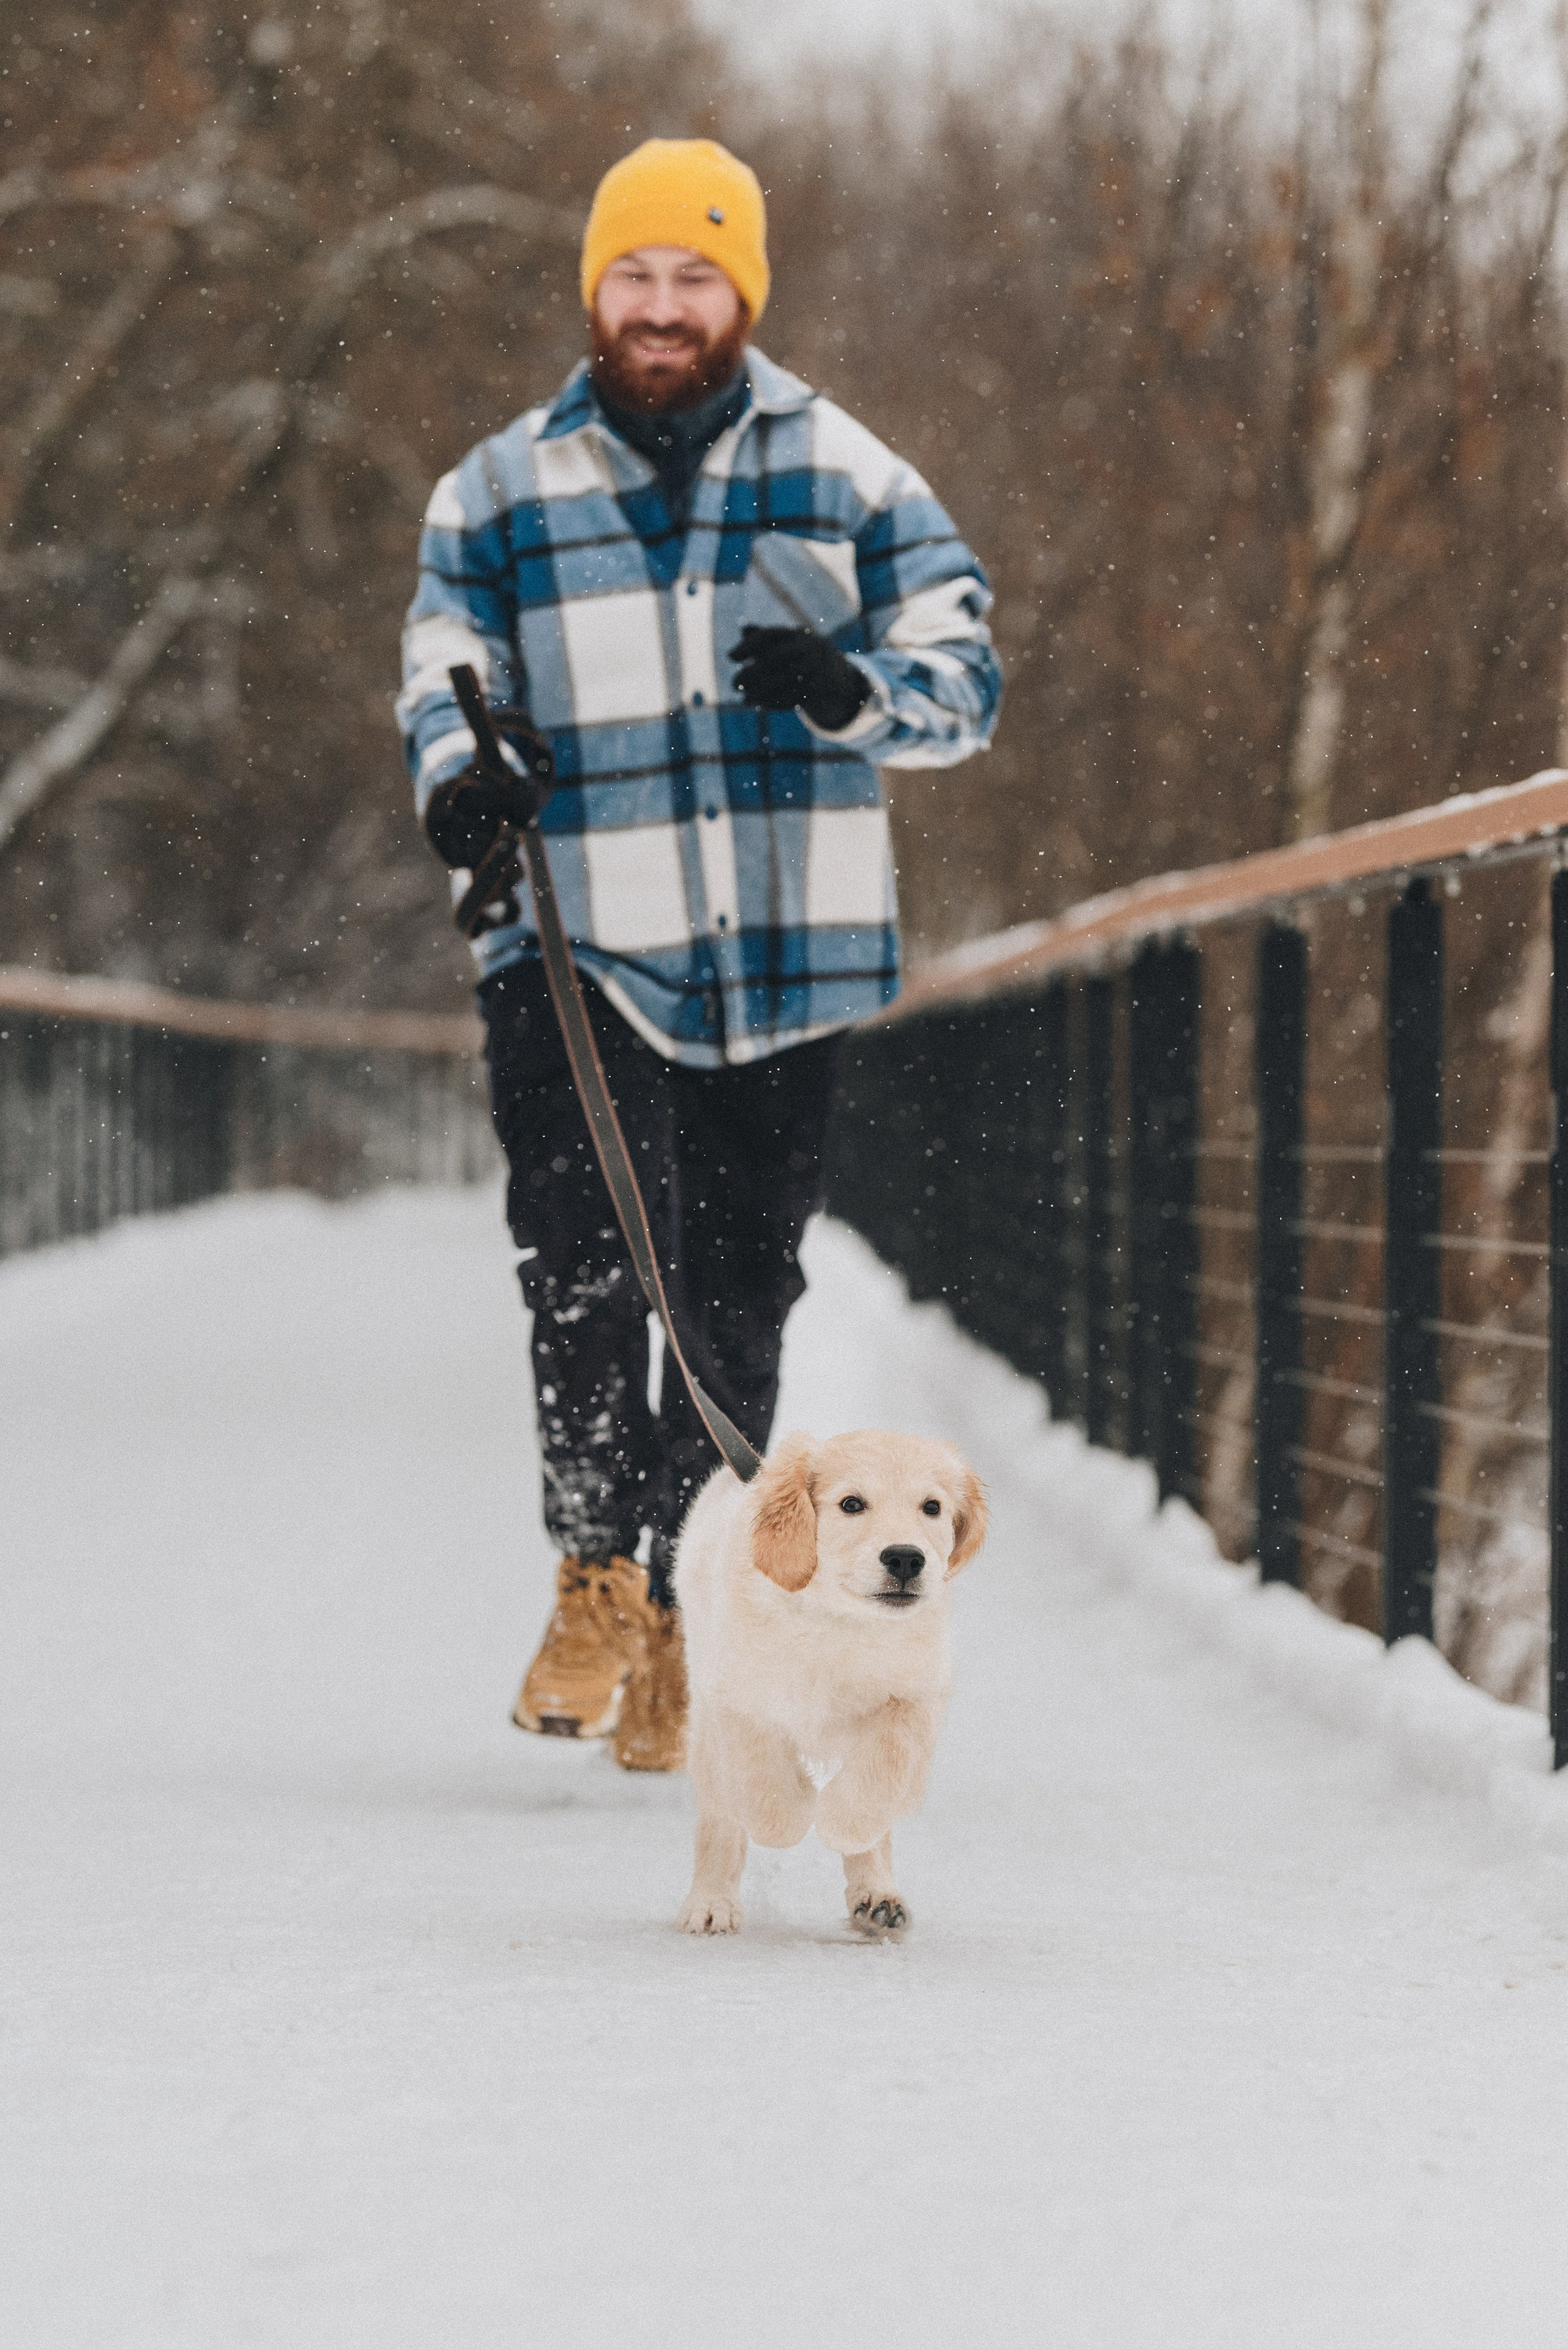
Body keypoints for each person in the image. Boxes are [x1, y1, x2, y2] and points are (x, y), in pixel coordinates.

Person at [397, 138, 1000, 1773]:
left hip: (787, 950)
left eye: (695, 276)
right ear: (595, 288)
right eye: (635, 275)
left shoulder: (842, 470)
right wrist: (473, 776)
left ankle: (676, 1594)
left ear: (743, 293)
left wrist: (856, 687)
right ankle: (594, 1571)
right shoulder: (502, 489)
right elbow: (440, 663)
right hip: (576, 947)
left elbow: (965, 650)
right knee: (581, 1262)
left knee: (739, 1284)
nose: (663, 306)